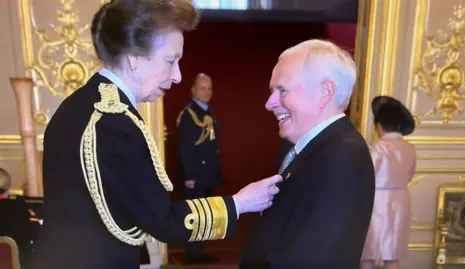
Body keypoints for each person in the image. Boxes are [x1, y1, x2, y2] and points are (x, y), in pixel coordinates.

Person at [32, 1, 281, 269]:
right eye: (171, 61)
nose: (177, 76)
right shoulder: (114, 123)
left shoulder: (79, 105)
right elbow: (164, 223)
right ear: (134, 57)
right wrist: (240, 203)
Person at [239, 39, 375, 269]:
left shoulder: (341, 157)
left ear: (324, 92)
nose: (269, 103)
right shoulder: (318, 149)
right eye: (272, 91)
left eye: (282, 90)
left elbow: (312, 258)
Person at [360, 96, 417, 269]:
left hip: (376, 202)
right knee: (392, 256)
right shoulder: (410, 148)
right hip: (401, 201)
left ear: (378, 126)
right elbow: (409, 175)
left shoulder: (377, 147)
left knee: (367, 255)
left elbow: (366, 176)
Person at [177, 73, 222, 263]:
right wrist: (189, 174)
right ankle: (193, 252)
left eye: (209, 88)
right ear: (193, 90)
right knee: (195, 213)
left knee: (206, 212)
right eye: (202, 88)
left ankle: (200, 250)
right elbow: (185, 146)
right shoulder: (189, 114)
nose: (207, 92)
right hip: (196, 174)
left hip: (207, 173)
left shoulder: (207, 112)